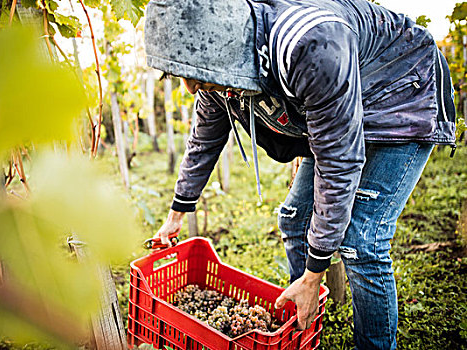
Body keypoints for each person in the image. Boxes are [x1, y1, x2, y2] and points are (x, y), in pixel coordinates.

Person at [144, 0, 456, 348]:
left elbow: (339, 160)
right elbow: (204, 140)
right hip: (341, 115)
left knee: (361, 240)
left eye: (190, 74)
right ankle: (304, 317)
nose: (188, 87)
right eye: (178, 74)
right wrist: (177, 213)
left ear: (219, 46)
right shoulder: (219, 69)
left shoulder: (311, 44)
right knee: (295, 218)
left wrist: (316, 269)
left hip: (400, 95)